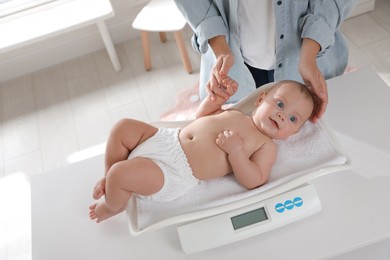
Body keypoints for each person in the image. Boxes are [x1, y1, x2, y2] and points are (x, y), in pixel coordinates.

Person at [89, 79, 316, 223]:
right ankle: (108, 177)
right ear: (261, 99)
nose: (282, 115)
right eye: (280, 104)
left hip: (175, 171)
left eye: (293, 119)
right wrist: (213, 100)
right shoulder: (236, 114)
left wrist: (236, 153)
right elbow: (202, 117)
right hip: (166, 139)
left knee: (122, 173)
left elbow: (255, 179)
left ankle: (112, 205)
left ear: (294, 132)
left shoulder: (265, 146)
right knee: (123, 127)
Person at [173, 0, 357, 122]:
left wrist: (309, 54)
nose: (281, 117)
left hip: (308, 59)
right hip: (234, 61)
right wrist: (220, 48)